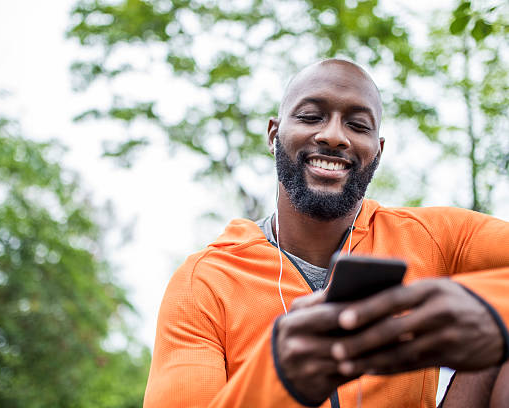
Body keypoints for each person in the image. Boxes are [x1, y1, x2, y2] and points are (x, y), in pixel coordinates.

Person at [143, 59, 509, 407]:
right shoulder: (204, 282)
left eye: (358, 125)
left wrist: (491, 308)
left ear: (377, 151)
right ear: (274, 135)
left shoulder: (435, 237)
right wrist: (278, 379)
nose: (334, 136)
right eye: (311, 116)